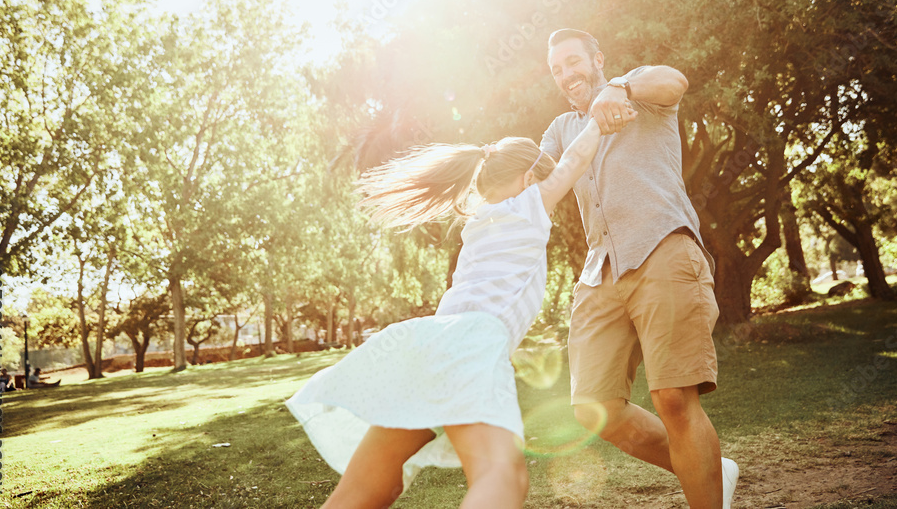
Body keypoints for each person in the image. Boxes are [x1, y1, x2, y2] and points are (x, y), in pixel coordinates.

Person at [286, 113, 633, 509]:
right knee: (503, 477)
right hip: (473, 343)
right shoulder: (527, 206)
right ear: (528, 181)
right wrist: (597, 124)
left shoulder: (481, 217)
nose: (552, 205)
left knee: (371, 487)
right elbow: (573, 162)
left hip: (432, 341)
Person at [540, 28, 739, 509]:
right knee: (595, 408)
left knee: (673, 398)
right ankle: (712, 469)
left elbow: (676, 80)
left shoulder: (641, 91)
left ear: (597, 58)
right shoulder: (561, 129)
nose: (567, 74)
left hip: (662, 249)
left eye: (573, 62)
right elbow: (537, 175)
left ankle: (707, 493)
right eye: (557, 69)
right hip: (599, 272)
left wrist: (620, 88)